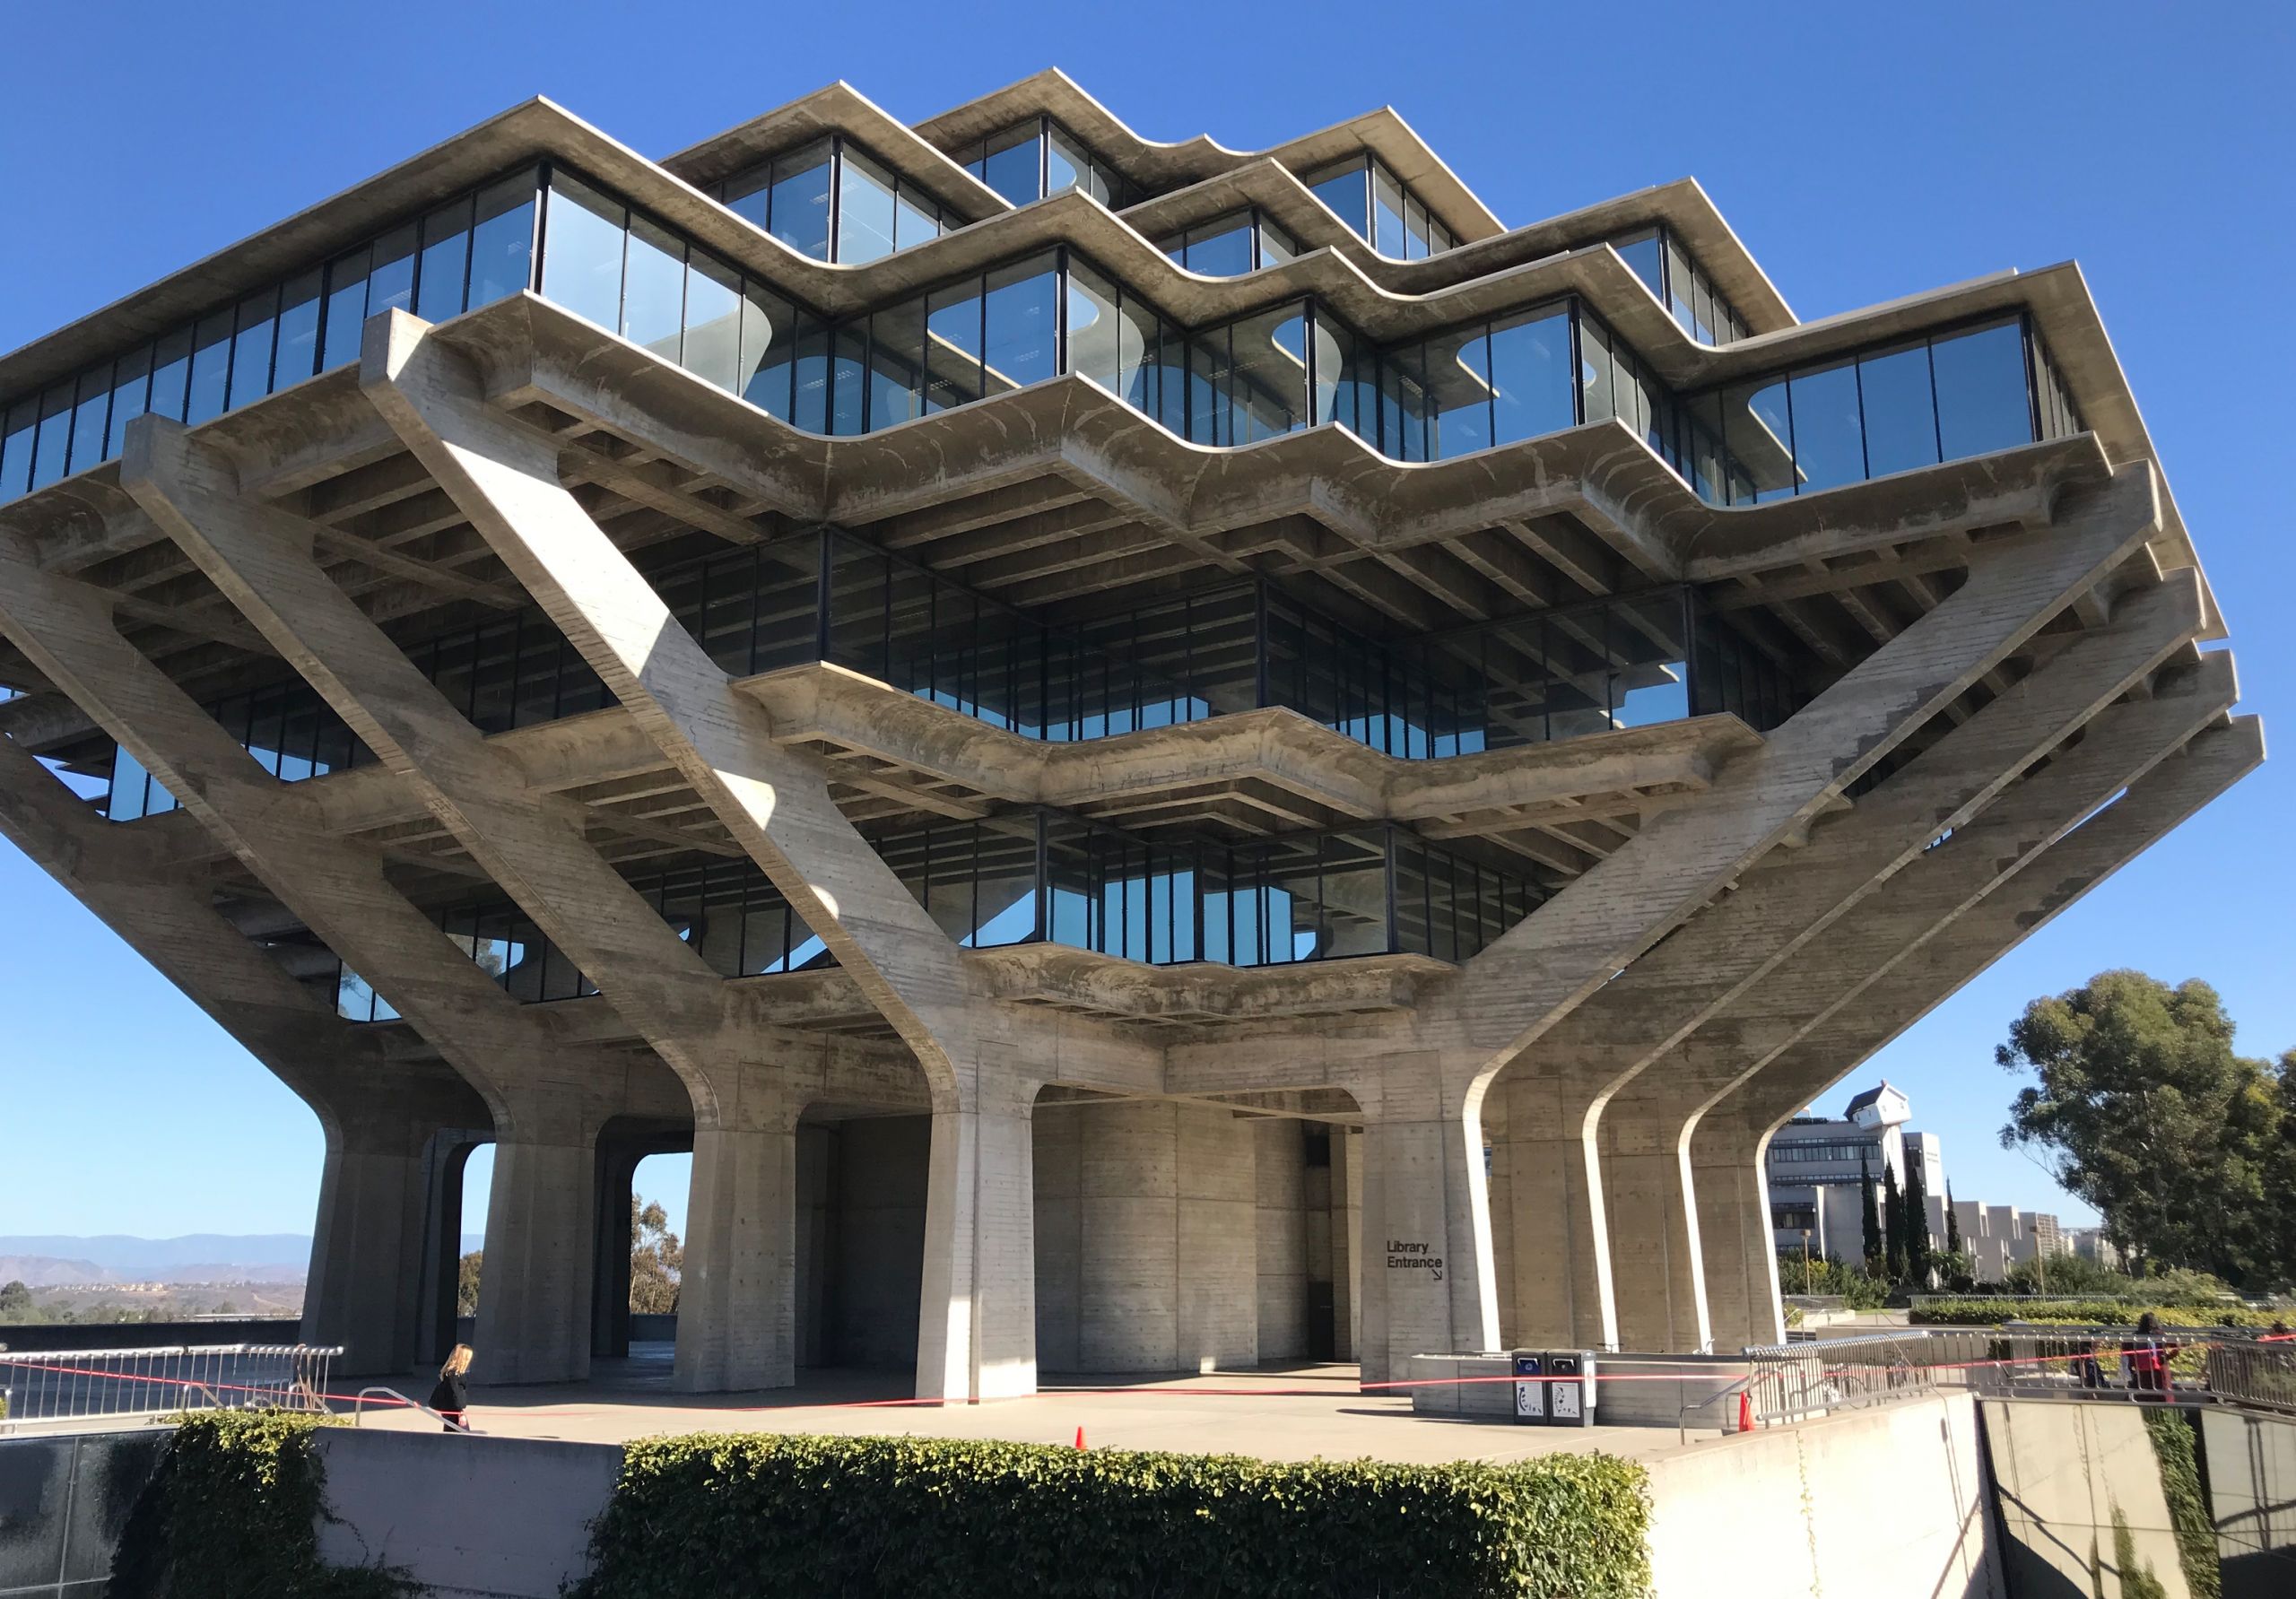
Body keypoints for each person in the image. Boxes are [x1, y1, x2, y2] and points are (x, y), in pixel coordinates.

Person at [2121, 1311, 2177, 1401]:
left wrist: (2132, 1362)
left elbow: (2125, 1349)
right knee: (2157, 1394)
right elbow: (2176, 1346)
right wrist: (2167, 1357)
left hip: (2140, 1370)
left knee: (2140, 1393)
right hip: (2157, 1369)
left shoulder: (2136, 1336)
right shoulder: (2160, 1335)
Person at [429, 1344, 473, 1431]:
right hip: (453, 1411)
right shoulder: (453, 1375)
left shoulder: (450, 1373)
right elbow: (455, 1393)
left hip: (450, 1410)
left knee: (451, 1432)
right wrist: (460, 1413)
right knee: (459, 1434)